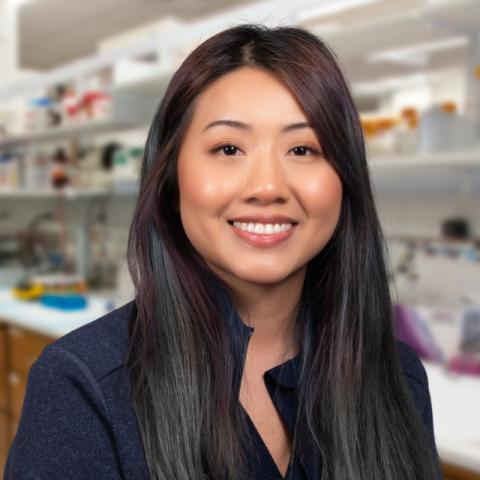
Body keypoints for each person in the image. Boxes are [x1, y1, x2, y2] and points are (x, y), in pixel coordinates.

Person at [4, 24, 443, 480]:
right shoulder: (84, 388)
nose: (267, 186)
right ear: (171, 178)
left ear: (345, 180)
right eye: (228, 148)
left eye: (303, 148)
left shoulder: (398, 380)